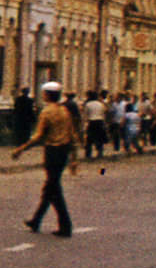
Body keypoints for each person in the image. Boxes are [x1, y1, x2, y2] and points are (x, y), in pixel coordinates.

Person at [15, 81, 78, 237]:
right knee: (50, 187)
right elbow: (72, 136)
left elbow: (39, 136)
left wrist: (21, 149)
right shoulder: (65, 111)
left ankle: (65, 225)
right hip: (63, 153)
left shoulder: (47, 112)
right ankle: (36, 220)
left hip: (52, 152)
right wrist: (74, 158)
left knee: (53, 188)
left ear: (47, 95)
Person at [82, 90, 107, 160]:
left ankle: (88, 153)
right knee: (99, 137)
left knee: (89, 139)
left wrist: (85, 123)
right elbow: (104, 113)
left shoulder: (88, 104)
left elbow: (85, 114)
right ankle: (100, 151)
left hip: (92, 122)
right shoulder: (101, 104)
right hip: (100, 121)